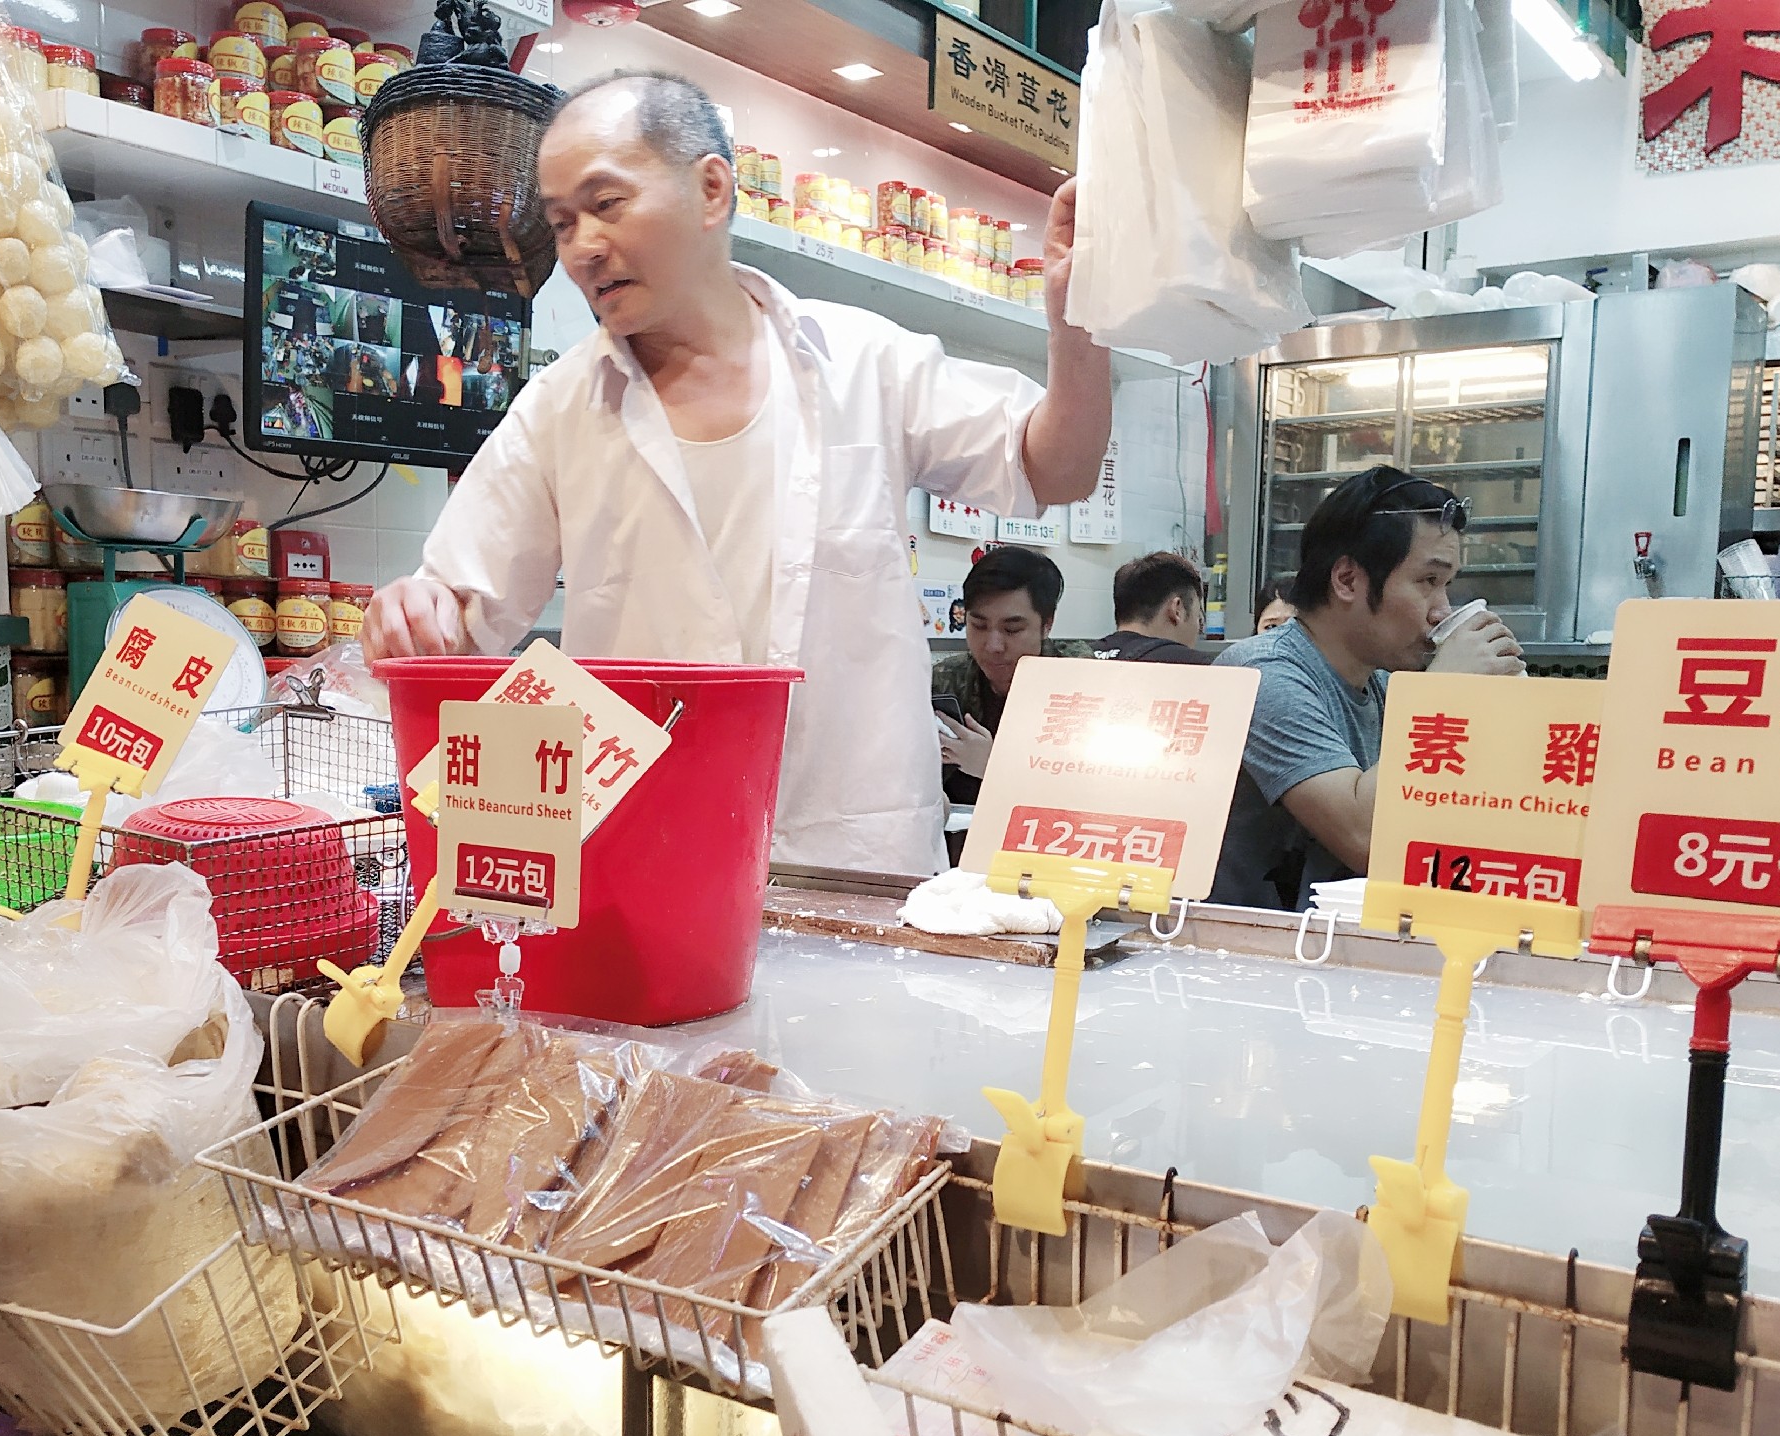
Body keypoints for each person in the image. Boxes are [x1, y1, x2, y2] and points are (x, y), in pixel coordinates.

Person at [361, 70, 1112, 873]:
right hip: (650, 861)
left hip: (853, 857)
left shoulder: (864, 361)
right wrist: (410, 613)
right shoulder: (559, 409)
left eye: (607, 204)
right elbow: (454, 620)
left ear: (712, 188)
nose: (581, 247)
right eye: (561, 221)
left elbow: (1052, 469)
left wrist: (1079, 318)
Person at [1208, 467, 1523, 910]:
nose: (1442, 611)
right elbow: (1367, 839)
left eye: (1447, 585)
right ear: (1348, 580)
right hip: (1247, 959)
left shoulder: (1384, 685)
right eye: (1428, 582)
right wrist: (1445, 694)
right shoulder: (1263, 673)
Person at [932, 546, 1091, 804]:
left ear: (1046, 625)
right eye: (978, 625)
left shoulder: (1079, 679)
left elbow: (1093, 792)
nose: (993, 645)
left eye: (1012, 629)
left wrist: (995, 768)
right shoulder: (945, 680)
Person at [1091, 552, 1208, 664]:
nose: (1198, 628)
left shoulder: (1080, 658)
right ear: (1177, 610)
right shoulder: (1193, 665)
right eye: (1198, 617)